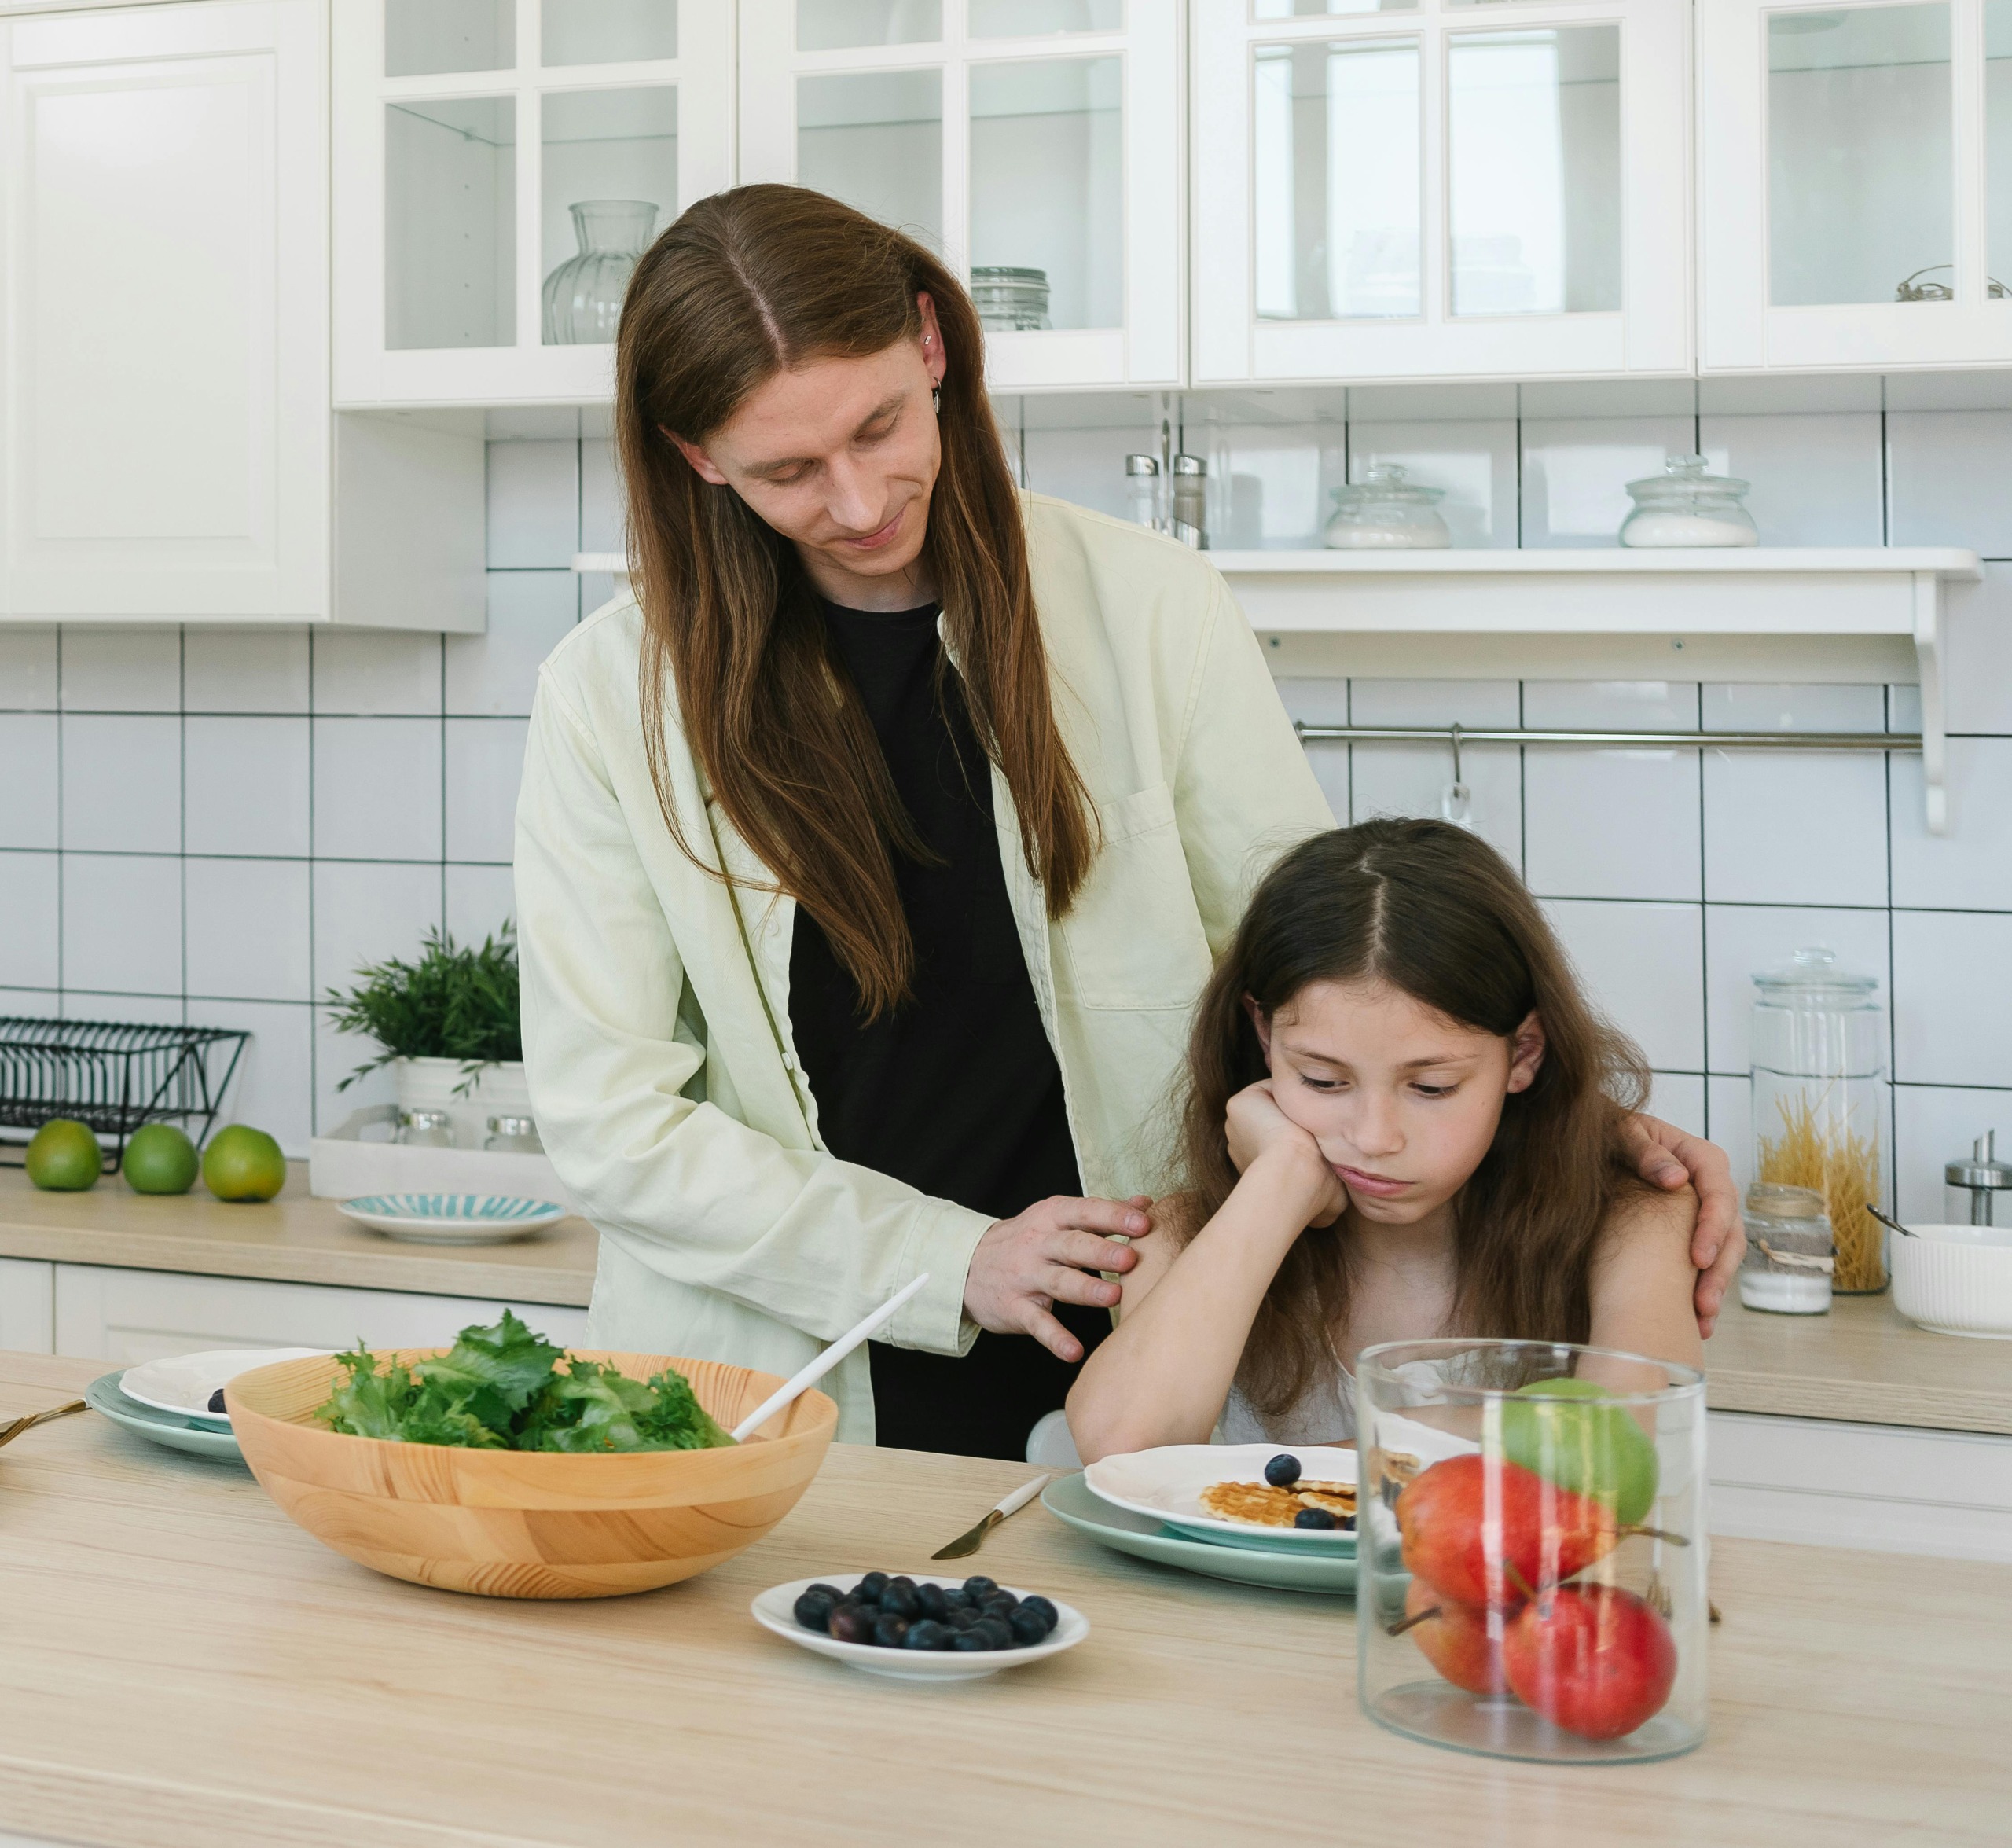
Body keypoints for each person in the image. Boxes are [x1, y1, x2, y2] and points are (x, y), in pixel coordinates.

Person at [513, 185, 1742, 1460]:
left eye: (879, 425)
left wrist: (1570, 1123)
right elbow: (613, 1121)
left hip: (1142, 1363)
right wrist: (955, 1258)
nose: (863, 497)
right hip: (773, 1378)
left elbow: (1326, 976)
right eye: (788, 470)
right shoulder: (612, 698)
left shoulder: (1157, 609)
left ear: (931, 347)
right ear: (698, 457)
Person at [1067, 820, 1702, 1463]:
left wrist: (1280, 1472)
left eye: (1430, 1087)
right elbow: (1123, 1450)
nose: (1373, 1138)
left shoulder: (1634, 1217)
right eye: (1322, 1079)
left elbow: (1617, 1440)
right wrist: (1280, 1178)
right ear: (1264, 1036)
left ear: (1523, 1053)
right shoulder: (1188, 1232)